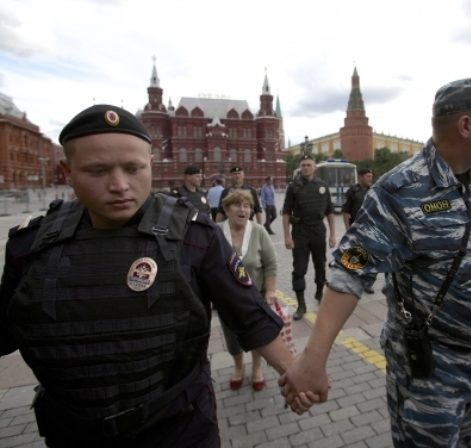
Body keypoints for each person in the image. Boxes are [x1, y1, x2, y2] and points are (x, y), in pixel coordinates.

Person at [0, 105, 307, 448]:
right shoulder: (31, 246)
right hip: (76, 433)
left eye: (134, 169)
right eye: (97, 170)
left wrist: (294, 372)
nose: (119, 185)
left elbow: (249, 315)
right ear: (67, 171)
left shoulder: (194, 235)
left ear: (151, 162)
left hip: (178, 429)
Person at [280, 78, 471, 446]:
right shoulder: (400, 191)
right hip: (432, 370)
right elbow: (350, 270)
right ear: (465, 126)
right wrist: (313, 360)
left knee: (464, 437)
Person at [216, 189, 278, 391]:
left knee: (257, 335)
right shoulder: (215, 232)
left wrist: (270, 291)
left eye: (247, 205)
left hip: (255, 298)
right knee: (232, 338)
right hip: (227, 300)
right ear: (226, 209)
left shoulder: (258, 231)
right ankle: (238, 366)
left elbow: (270, 264)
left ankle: (257, 368)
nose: (243, 209)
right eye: (237, 204)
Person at [282, 154, 336, 320]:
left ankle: (320, 292)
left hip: (318, 230)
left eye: (309, 165)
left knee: (320, 265)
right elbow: (285, 213)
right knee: (299, 268)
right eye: (303, 165)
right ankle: (301, 304)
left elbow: (330, 212)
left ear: (315, 167)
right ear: (300, 167)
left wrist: (333, 234)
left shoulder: (323, 186)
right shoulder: (293, 187)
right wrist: (287, 236)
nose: (306, 167)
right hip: (300, 231)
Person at [342, 168, 375, 294]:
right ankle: (349, 279)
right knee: (354, 255)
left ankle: (368, 282)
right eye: (367, 176)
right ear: (360, 177)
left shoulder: (373, 190)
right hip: (356, 229)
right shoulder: (352, 191)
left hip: (371, 228)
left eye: (371, 176)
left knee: (372, 256)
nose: (370, 178)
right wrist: (347, 229)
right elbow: (346, 211)